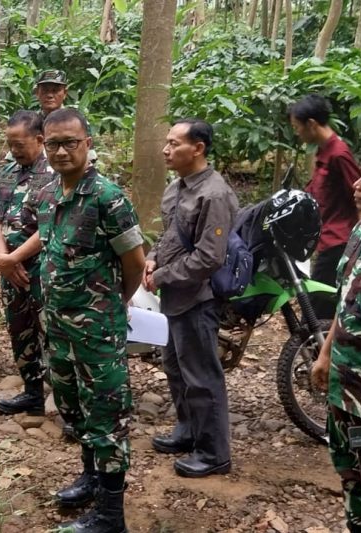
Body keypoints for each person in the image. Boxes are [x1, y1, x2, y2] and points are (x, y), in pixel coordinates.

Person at [0, 108, 145, 531]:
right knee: (72, 405)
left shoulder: (107, 198)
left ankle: (111, 515)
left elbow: (135, 263)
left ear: (87, 144)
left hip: (97, 331)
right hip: (58, 326)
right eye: (54, 144)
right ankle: (90, 477)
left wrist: (113, 304)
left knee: (106, 414)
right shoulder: (48, 193)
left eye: (70, 143)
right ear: (44, 145)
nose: (61, 152)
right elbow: (47, 236)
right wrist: (14, 257)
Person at [143, 118, 236, 478]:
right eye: (166, 142)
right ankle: (188, 430)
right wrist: (153, 258)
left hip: (198, 297)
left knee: (201, 375)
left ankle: (214, 453)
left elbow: (209, 258)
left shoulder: (214, 194)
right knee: (176, 368)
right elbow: (170, 235)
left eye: (174, 144)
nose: (166, 150)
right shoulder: (177, 187)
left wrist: (162, 276)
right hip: (175, 296)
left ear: (198, 149)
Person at [312, 153, 361, 531]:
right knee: (352, 478)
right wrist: (325, 352)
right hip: (345, 388)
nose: (357, 183)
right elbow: (346, 299)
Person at [0, 110, 55, 416]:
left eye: (20, 144)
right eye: (10, 144)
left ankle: (65, 399)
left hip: (42, 267)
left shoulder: (55, 173)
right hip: (10, 267)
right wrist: (4, 259)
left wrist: (15, 258)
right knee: (20, 329)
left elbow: (52, 225)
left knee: (50, 332)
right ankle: (32, 392)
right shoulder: (7, 172)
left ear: (39, 140)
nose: (14, 150)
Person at [289, 95, 360, 317]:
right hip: (326, 240)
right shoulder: (323, 151)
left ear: (311, 124)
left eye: (297, 127)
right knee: (319, 305)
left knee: (316, 309)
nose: (297, 132)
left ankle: (317, 339)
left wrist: (360, 243)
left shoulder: (339, 154)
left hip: (339, 242)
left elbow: (360, 196)